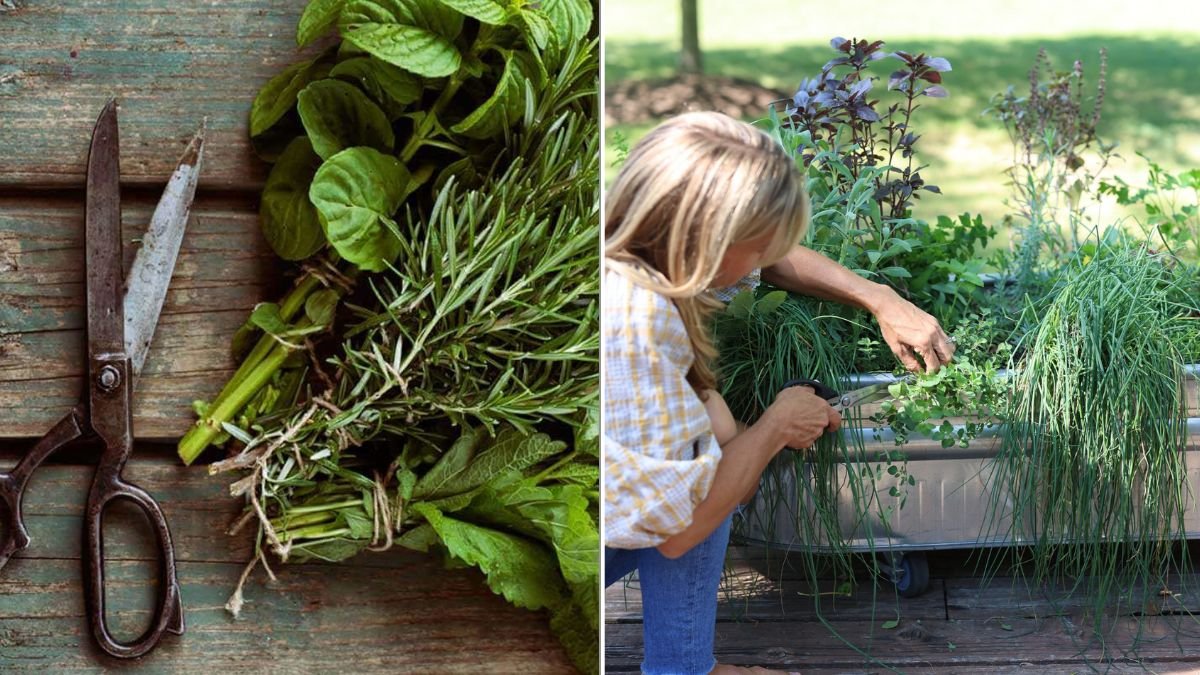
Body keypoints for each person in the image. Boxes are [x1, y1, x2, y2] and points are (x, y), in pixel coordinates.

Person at [603, 111, 954, 675]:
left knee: (722, 445)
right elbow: (677, 533)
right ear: (711, 241)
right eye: (763, 243)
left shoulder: (640, 245)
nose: (771, 257)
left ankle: (684, 664)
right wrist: (775, 428)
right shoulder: (639, 329)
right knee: (717, 472)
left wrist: (880, 298)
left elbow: (769, 263)